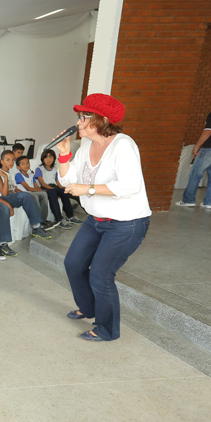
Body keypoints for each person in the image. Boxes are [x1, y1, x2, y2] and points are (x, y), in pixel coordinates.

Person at [57, 93, 151, 342]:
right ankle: (88, 308)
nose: (78, 122)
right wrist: (64, 155)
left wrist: (87, 189)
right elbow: (67, 181)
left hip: (125, 223)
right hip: (96, 220)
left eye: (84, 116)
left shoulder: (123, 145)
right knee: (73, 264)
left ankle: (107, 329)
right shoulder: (86, 145)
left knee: (101, 275)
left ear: (102, 120)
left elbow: (130, 186)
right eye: (79, 116)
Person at [0, 151, 54, 237]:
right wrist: (21, 193)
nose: (11, 162)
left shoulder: (10, 173)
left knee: (40, 194)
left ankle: (41, 222)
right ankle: (36, 226)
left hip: (12, 195)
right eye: (8, 160)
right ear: (1, 161)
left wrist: (20, 193)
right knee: (28, 195)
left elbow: (15, 188)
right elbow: (3, 192)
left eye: (12, 160)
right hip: (3, 197)